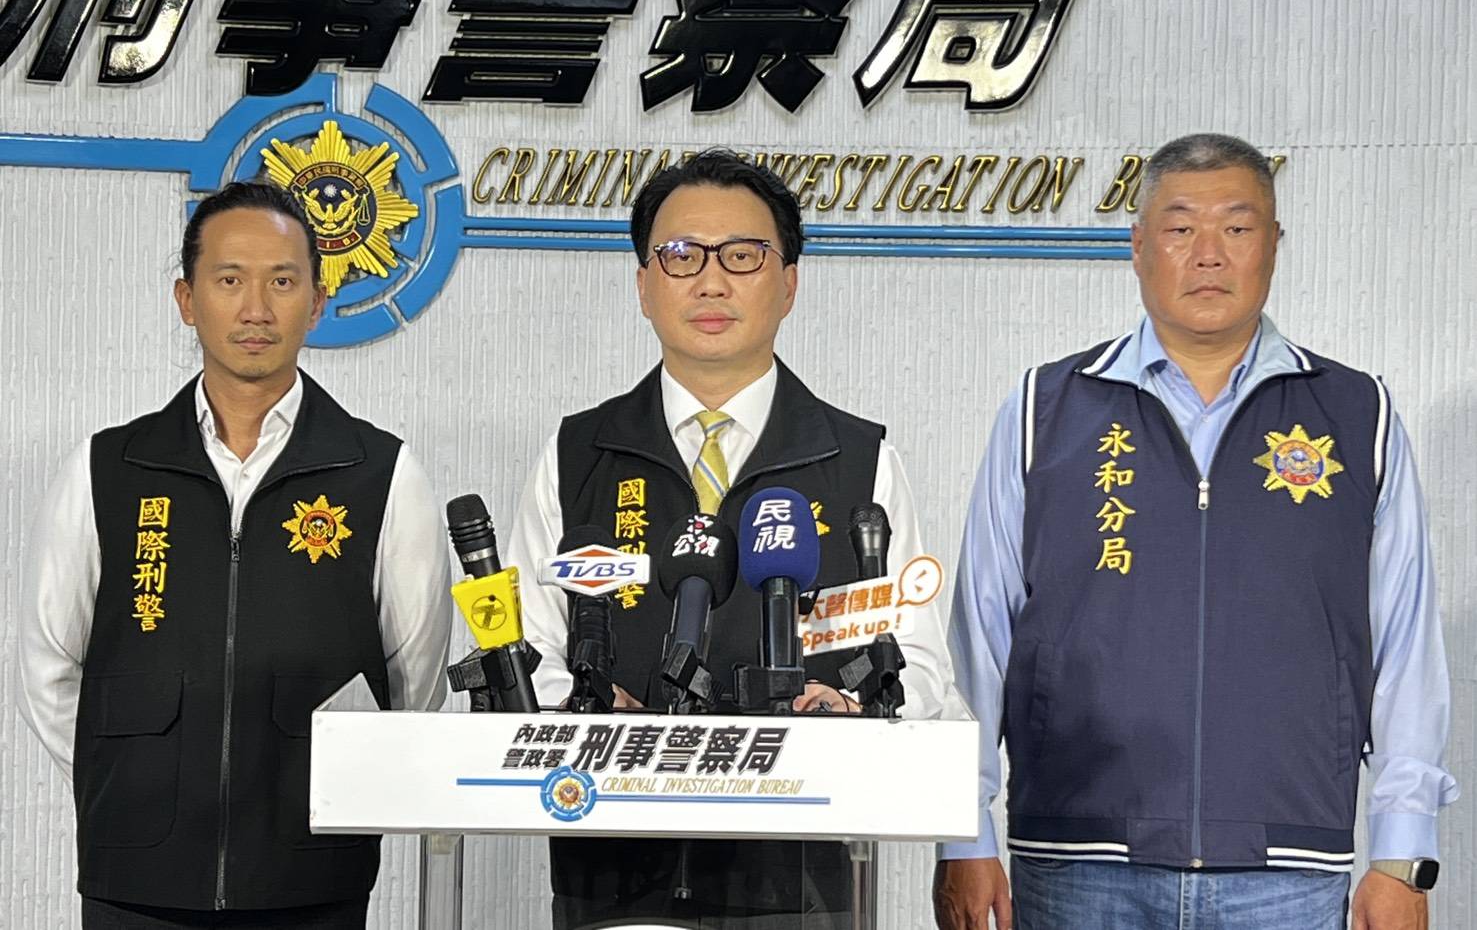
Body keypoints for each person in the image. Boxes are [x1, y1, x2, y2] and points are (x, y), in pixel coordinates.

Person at [933, 133, 1457, 930]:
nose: (1208, 253)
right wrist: (962, 835)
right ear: (1137, 246)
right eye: (1179, 228)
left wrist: (1400, 856)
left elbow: (1404, 648)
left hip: (1286, 868)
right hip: (1078, 863)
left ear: (1273, 244)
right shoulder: (1044, 409)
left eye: (1236, 228)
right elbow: (978, 639)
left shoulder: (1356, 415)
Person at [505, 149, 955, 928]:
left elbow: (918, 665)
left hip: (800, 881)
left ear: (788, 283)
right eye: (681, 255)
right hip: (607, 870)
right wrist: (584, 708)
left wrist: (852, 708)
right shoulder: (577, 455)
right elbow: (524, 647)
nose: (710, 282)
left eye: (742, 256)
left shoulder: (858, 461)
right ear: (643, 285)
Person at [18, 182, 452, 929]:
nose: (256, 309)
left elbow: (414, 679)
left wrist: (347, 793)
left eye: (282, 282)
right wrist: (127, 783)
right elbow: (48, 667)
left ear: (317, 304)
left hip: (311, 877)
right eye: (229, 280)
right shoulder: (106, 468)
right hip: (137, 877)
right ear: (187, 300)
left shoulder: (381, 473)